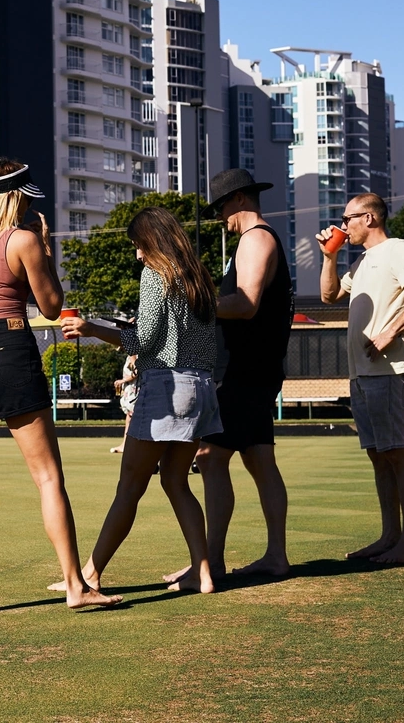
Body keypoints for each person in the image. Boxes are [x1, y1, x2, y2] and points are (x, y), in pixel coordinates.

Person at [0, 157, 121, 614]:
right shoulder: (25, 241)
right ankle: (76, 587)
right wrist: (47, 253)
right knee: (48, 477)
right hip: (11, 346)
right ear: (16, 198)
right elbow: (52, 307)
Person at [49, 206, 221, 595]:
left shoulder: (155, 274)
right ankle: (204, 574)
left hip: (166, 387)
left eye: (139, 246)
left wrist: (91, 328)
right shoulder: (198, 275)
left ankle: (90, 574)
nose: (137, 255)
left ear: (153, 242)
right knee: (177, 484)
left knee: (129, 487)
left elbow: (142, 341)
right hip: (201, 388)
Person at [166, 168, 294, 585]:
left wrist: (192, 301)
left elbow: (247, 304)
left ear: (239, 199)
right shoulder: (254, 240)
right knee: (260, 461)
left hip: (241, 371)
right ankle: (275, 557)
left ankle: (211, 563)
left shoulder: (255, 239)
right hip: (255, 369)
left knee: (209, 458)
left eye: (222, 206)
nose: (221, 215)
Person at [316, 192, 404, 564]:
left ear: (369, 218)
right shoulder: (363, 260)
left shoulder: (398, 249)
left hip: (388, 372)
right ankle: (391, 536)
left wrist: (390, 331)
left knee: (396, 454)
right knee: (378, 455)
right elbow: (330, 295)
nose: (343, 224)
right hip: (362, 374)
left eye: (348, 218)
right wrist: (330, 257)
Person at [110, 353, 137, 454]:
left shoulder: (135, 354)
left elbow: (137, 371)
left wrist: (123, 380)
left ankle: (131, 446)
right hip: (131, 391)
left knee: (132, 417)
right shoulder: (130, 355)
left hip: (136, 391)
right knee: (129, 418)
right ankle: (125, 444)